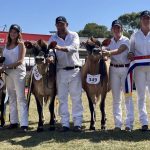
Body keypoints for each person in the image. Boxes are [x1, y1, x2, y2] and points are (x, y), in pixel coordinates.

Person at [48, 16, 83, 132]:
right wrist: (51, 57)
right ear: (56, 25)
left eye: (62, 24)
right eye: (58, 24)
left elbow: (73, 48)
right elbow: (50, 52)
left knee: (76, 97)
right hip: (60, 70)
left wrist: (58, 47)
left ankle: (77, 123)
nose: (60, 26)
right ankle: (65, 124)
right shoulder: (52, 38)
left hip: (75, 70)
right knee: (62, 98)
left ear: (67, 24)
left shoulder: (74, 35)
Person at [102, 20, 134, 131]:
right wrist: (104, 54)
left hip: (126, 69)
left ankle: (129, 124)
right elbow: (105, 52)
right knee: (116, 98)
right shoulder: (109, 41)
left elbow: (120, 50)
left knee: (128, 97)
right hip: (113, 69)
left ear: (121, 29)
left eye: (118, 28)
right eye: (114, 28)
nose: (116, 30)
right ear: (112, 29)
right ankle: (117, 124)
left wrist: (109, 53)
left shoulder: (126, 40)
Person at [0, 24, 28, 132]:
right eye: (11, 31)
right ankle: (14, 122)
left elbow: (20, 61)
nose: (13, 34)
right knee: (11, 96)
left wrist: (6, 66)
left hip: (18, 72)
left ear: (18, 34)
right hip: (8, 73)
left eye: (15, 32)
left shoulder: (21, 45)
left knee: (21, 97)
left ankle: (24, 124)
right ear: (9, 33)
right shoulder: (5, 46)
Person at [128, 10, 150, 131]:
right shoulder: (134, 35)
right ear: (140, 20)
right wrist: (130, 54)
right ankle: (144, 122)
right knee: (141, 96)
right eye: (144, 18)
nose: (146, 20)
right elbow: (131, 50)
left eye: (148, 18)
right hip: (139, 70)